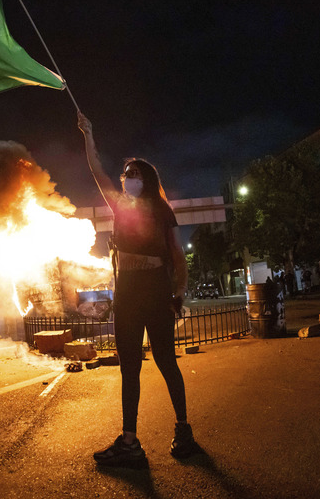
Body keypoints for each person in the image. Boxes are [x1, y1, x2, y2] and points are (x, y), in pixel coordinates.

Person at [79, 111, 199, 468]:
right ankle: (129, 441)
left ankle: (184, 429)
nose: (128, 179)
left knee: (165, 361)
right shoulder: (119, 205)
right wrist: (88, 134)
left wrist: (179, 292)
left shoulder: (162, 211)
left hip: (156, 292)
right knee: (128, 367)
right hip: (128, 294)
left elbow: (178, 256)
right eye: (126, 174)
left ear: (147, 179)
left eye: (134, 174)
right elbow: (96, 170)